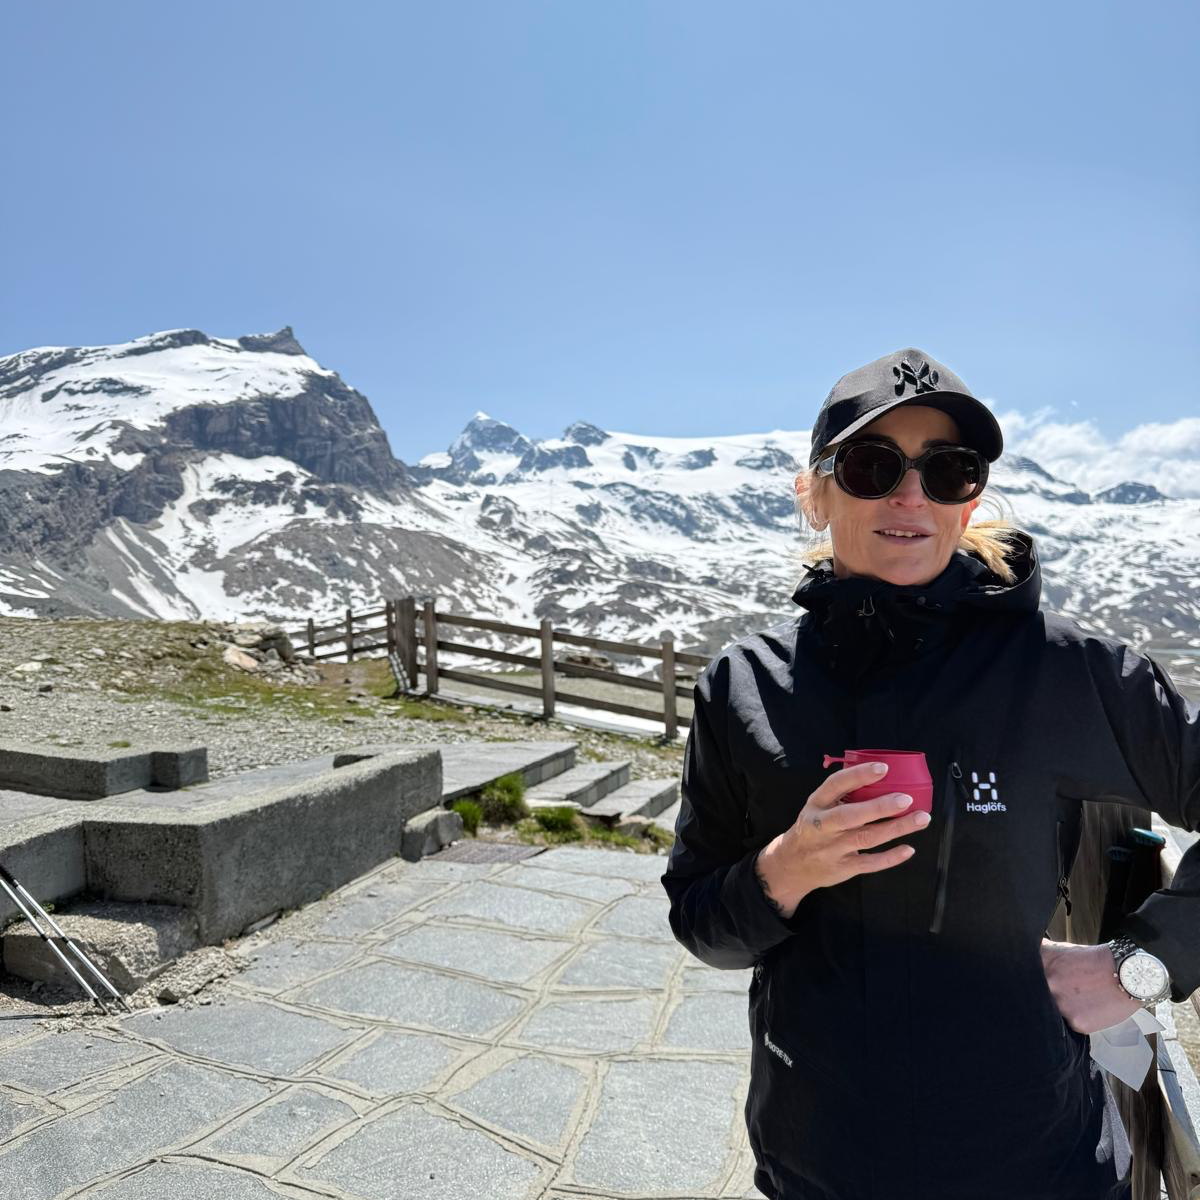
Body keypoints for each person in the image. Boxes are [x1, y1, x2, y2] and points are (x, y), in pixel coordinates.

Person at [660, 347, 1199, 1200]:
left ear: (970, 499)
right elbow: (701, 925)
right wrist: (782, 871)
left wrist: (1146, 962)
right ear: (815, 494)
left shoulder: (1066, 671)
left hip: (1035, 1163)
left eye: (947, 471)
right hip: (819, 1160)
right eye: (873, 466)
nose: (910, 496)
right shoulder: (747, 686)